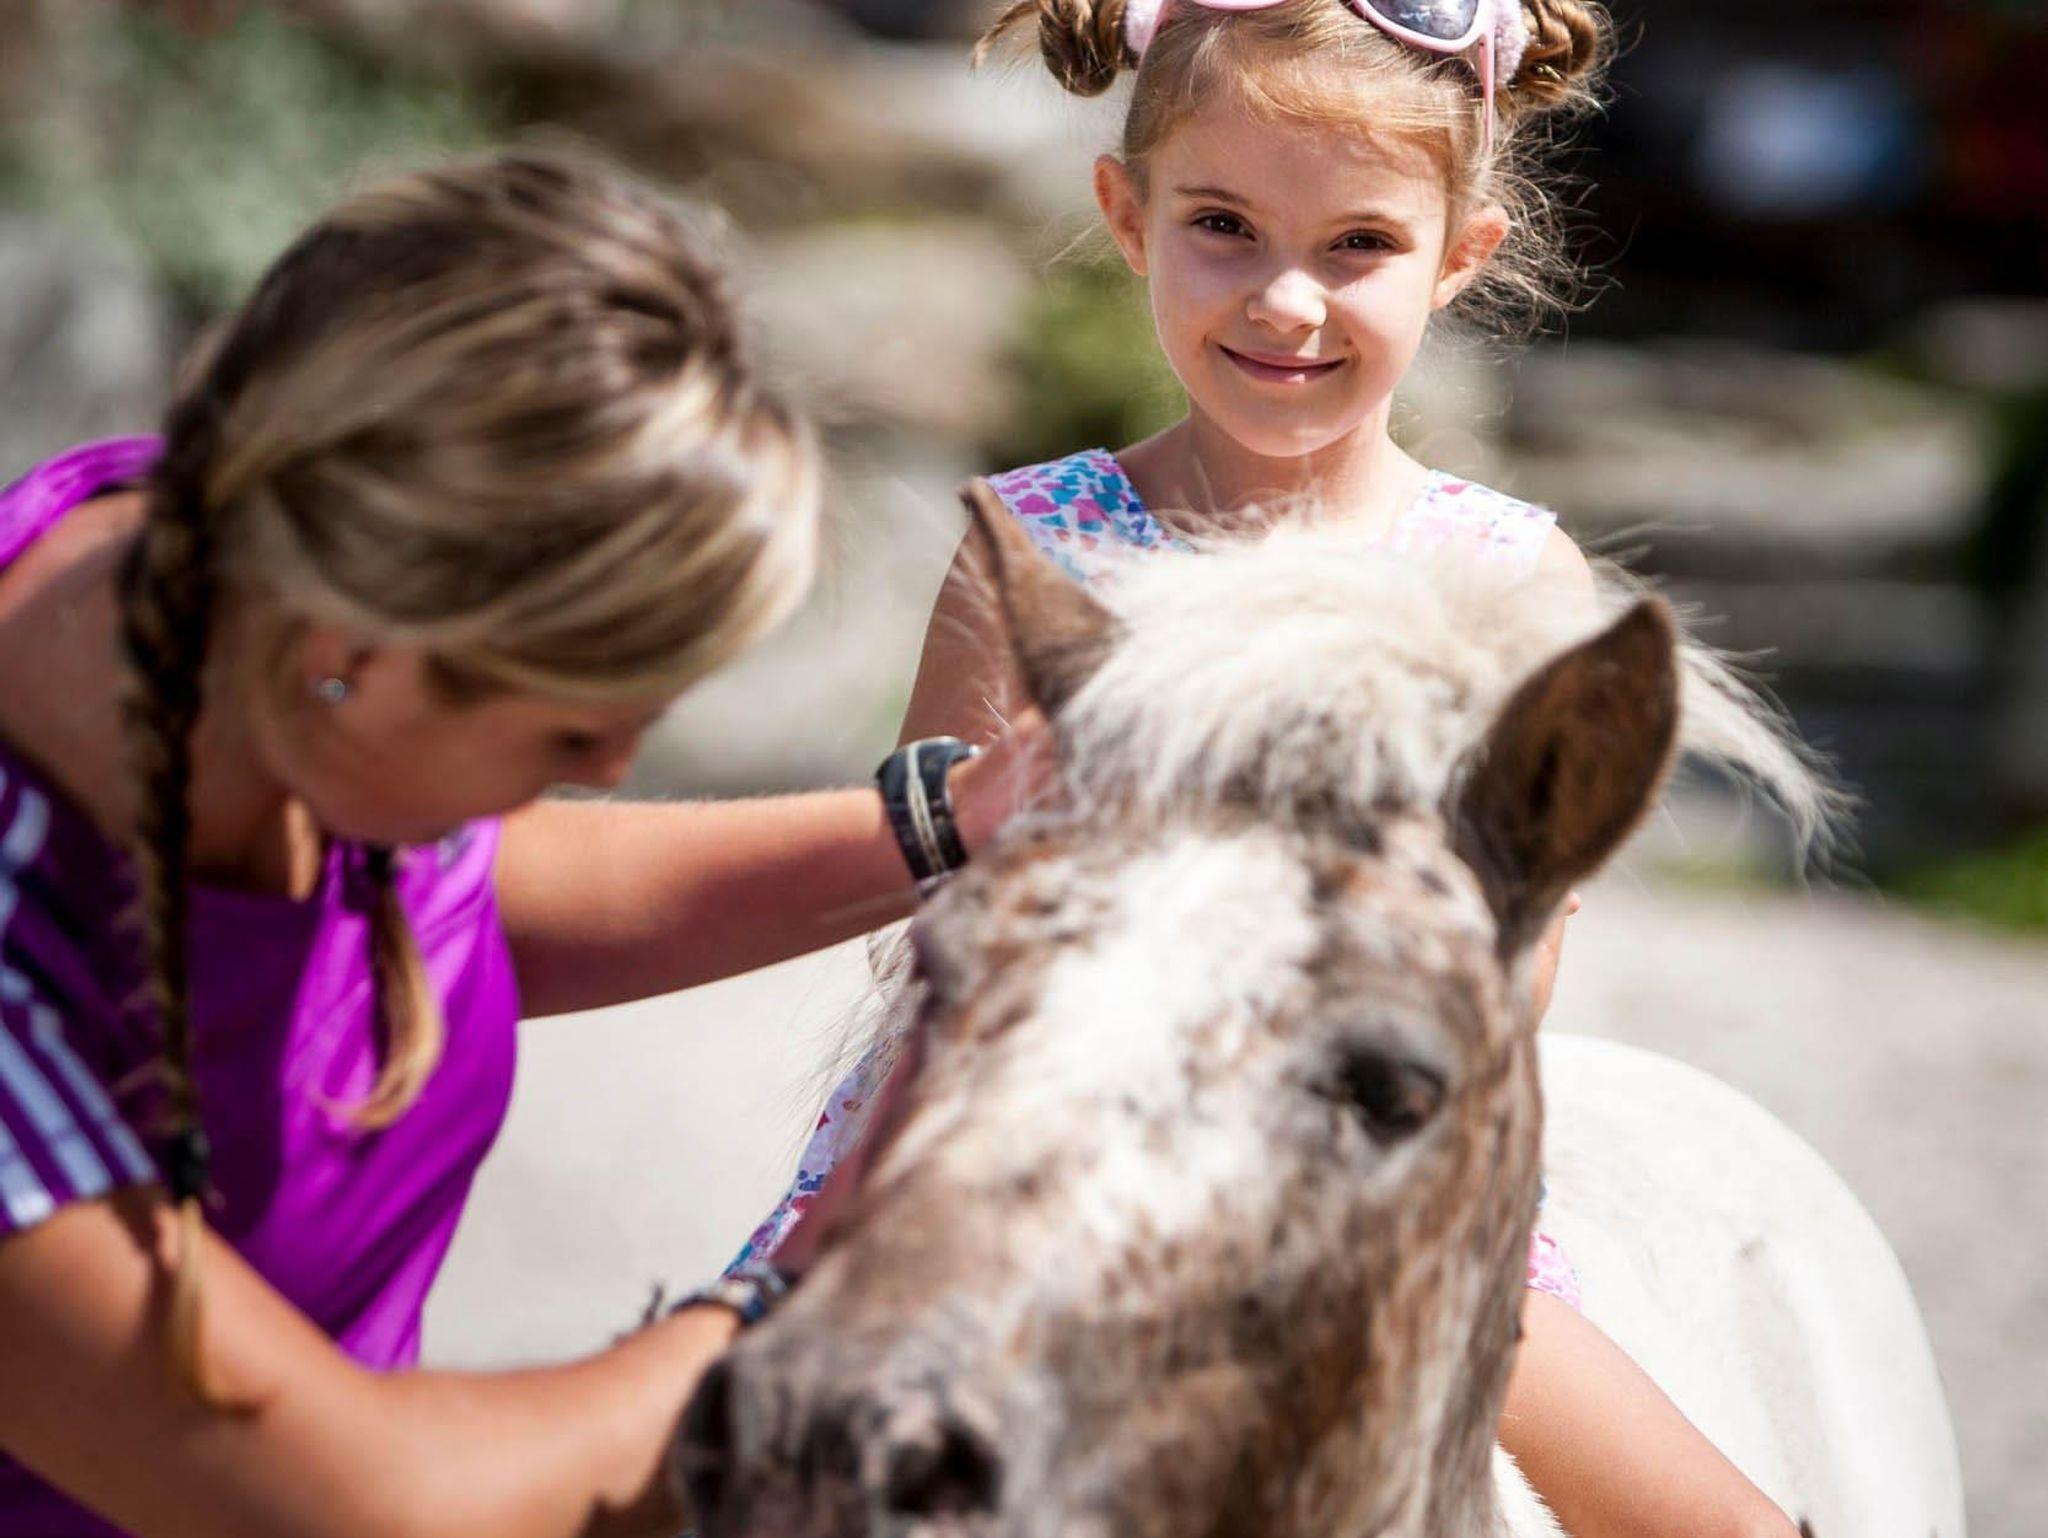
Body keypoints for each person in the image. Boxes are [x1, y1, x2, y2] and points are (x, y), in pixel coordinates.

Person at [741, 4, 1800, 1535]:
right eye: (1223, 225)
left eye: (1359, 244)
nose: (1286, 299)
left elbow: (1515, 960)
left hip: (1355, 1145)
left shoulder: (1505, 578)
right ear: (1128, 217)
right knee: (745, 1437)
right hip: (1043, 1119)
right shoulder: (1034, 544)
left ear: (1460, 257)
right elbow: (941, 897)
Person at [0, 148, 1036, 1537]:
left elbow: (446, 900)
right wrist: (812, 1283)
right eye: (573, 732)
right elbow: (356, 1503)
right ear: (352, 655)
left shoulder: (243, 556)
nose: (607, 774)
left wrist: (954, 820)